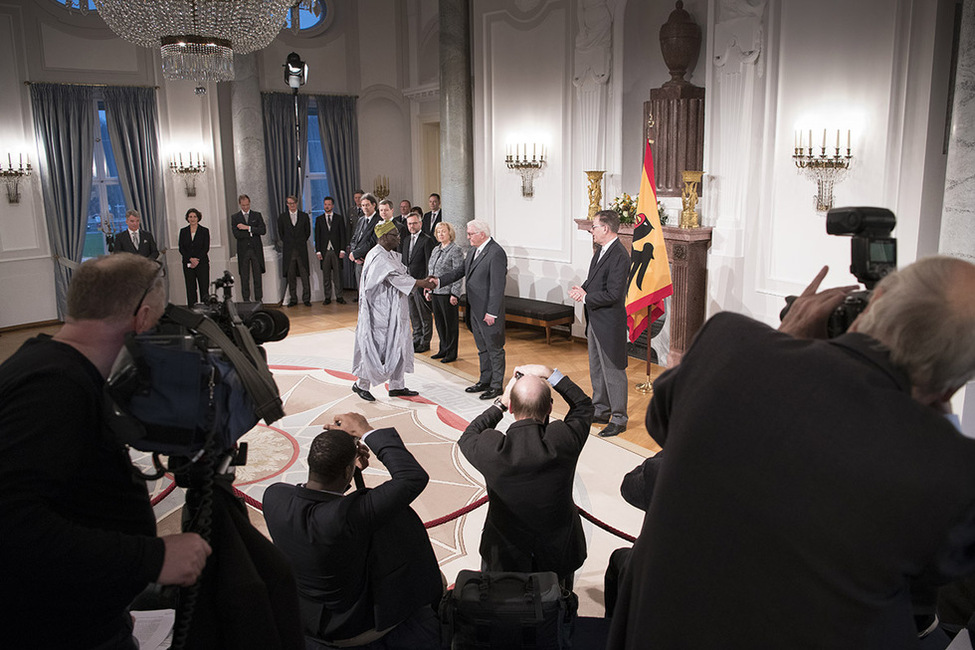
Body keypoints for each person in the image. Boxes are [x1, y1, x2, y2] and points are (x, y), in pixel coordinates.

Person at [607, 258, 975, 650]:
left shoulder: (728, 343)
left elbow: (663, 423)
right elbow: (934, 584)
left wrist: (783, 336)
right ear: (960, 379)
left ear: (876, 300)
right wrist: (937, 417)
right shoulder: (953, 469)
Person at [0, 253, 212, 649]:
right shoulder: (52, 388)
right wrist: (151, 558)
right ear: (143, 317)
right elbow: (12, 524)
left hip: (81, 613)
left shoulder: (49, 364)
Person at [263, 412, 443, 649]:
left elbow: (320, 498)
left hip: (306, 615)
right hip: (355, 624)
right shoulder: (347, 517)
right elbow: (411, 477)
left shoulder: (274, 496)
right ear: (348, 471)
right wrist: (365, 430)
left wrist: (341, 459)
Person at [459, 363, 593, 588]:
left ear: (511, 408)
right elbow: (583, 406)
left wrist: (500, 403)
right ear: (550, 408)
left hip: (503, 554)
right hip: (558, 552)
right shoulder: (563, 439)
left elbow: (468, 435)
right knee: (558, 609)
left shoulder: (492, 449)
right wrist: (550, 373)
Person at [351, 221, 436, 401]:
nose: (399, 238)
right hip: (379, 311)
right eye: (395, 235)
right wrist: (422, 283)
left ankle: (397, 385)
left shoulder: (390, 254)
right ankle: (361, 384)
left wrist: (419, 281)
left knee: (400, 343)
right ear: (383, 237)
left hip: (395, 308)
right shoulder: (378, 256)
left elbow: (402, 276)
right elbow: (396, 278)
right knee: (377, 347)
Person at [569, 209, 630, 438]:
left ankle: (619, 418)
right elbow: (594, 280)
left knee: (613, 370)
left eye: (593, 227)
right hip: (595, 318)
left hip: (610, 321)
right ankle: (602, 409)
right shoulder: (601, 250)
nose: (591, 230)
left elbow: (614, 294)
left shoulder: (620, 255)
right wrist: (583, 289)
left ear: (605, 228)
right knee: (596, 367)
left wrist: (586, 298)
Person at [436, 219, 507, 400]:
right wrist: (438, 281)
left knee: (494, 348)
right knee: (482, 347)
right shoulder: (475, 250)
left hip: (488, 311)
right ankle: (485, 380)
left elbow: (497, 287)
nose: (467, 237)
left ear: (481, 234)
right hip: (474, 309)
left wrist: (492, 312)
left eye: (470, 234)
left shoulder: (496, 253)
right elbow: (460, 271)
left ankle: (496, 386)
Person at [426, 222, 464, 363]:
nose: (440, 234)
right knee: (440, 324)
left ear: (450, 233)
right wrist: (429, 289)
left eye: (443, 231)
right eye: (438, 232)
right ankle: (443, 349)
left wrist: (455, 293)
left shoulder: (456, 250)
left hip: (448, 293)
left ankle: (451, 352)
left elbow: (458, 273)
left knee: (450, 325)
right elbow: (431, 271)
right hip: (436, 292)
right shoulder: (436, 249)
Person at [399, 212, 436, 353]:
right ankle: (416, 339)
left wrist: (427, 284)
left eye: (414, 223)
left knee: (424, 315)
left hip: (421, 283)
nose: (412, 226)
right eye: (409, 224)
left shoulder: (427, 240)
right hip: (408, 283)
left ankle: (425, 342)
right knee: (413, 314)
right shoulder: (406, 239)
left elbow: (429, 264)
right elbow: (405, 261)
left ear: (420, 224)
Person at [231, 194, 266, 303]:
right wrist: (251, 233)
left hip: (256, 250)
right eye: (243, 205)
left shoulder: (257, 215)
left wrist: (247, 228)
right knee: (244, 277)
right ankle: (246, 301)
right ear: (240, 204)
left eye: (247, 205)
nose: (245, 207)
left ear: (249, 203)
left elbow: (263, 230)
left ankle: (259, 300)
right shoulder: (235, 217)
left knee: (257, 277)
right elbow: (236, 234)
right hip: (243, 251)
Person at [278, 195, 312, 307]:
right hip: (289, 251)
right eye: (289, 203)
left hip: (301, 249)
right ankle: (293, 299)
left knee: (304, 274)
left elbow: (307, 232)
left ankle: (306, 298)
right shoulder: (282, 217)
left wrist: (300, 242)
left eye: (293, 203)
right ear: (287, 204)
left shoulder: (304, 216)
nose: (291, 205)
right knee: (291, 275)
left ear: (296, 203)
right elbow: (281, 234)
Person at [315, 196, 348, 305]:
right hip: (324, 252)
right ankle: (327, 297)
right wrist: (318, 251)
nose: (327, 206)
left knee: (338, 275)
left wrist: (343, 249)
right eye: (325, 204)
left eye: (329, 204)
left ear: (332, 206)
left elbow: (343, 235)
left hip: (337, 250)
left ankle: (339, 296)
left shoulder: (339, 218)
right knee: (326, 275)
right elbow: (317, 236)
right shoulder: (319, 219)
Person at [349, 193, 382, 290]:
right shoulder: (361, 220)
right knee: (361, 290)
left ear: (374, 205)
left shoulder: (379, 221)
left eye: (367, 205)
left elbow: (372, 242)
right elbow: (354, 238)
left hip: (371, 260)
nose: (365, 208)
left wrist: (356, 254)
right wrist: (354, 254)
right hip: (358, 261)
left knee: (371, 291)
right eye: (363, 205)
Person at [178, 207, 210, 305]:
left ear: (198, 218)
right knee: (191, 288)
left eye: (194, 216)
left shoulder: (204, 231)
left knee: (204, 288)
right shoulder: (183, 231)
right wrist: (191, 259)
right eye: (190, 216)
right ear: (187, 218)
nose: (192, 219)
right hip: (188, 264)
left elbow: (205, 248)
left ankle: (206, 310)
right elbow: (181, 247)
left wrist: (197, 260)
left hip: (202, 264)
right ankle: (192, 311)